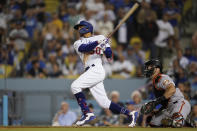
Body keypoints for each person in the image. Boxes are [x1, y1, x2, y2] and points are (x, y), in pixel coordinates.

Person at [71, 20, 138, 127]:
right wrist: (98, 43)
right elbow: (84, 49)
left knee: (75, 86)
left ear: (88, 27)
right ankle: (130, 113)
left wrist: (105, 46)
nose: (79, 29)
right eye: (78, 28)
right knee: (104, 103)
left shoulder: (100, 37)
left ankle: (87, 113)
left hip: (96, 69)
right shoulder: (78, 42)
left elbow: (109, 57)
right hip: (89, 71)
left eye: (80, 27)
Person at [141, 59, 191, 127]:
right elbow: (165, 101)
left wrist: (156, 101)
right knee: (153, 124)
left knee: (176, 123)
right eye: (147, 67)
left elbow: (172, 89)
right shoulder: (155, 82)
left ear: (157, 69)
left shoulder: (162, 78)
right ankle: (182, 119)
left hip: (179, 103)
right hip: (168, 108)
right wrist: (158, 110)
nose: (148, 69)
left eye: (150, 66)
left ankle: (186, 122)